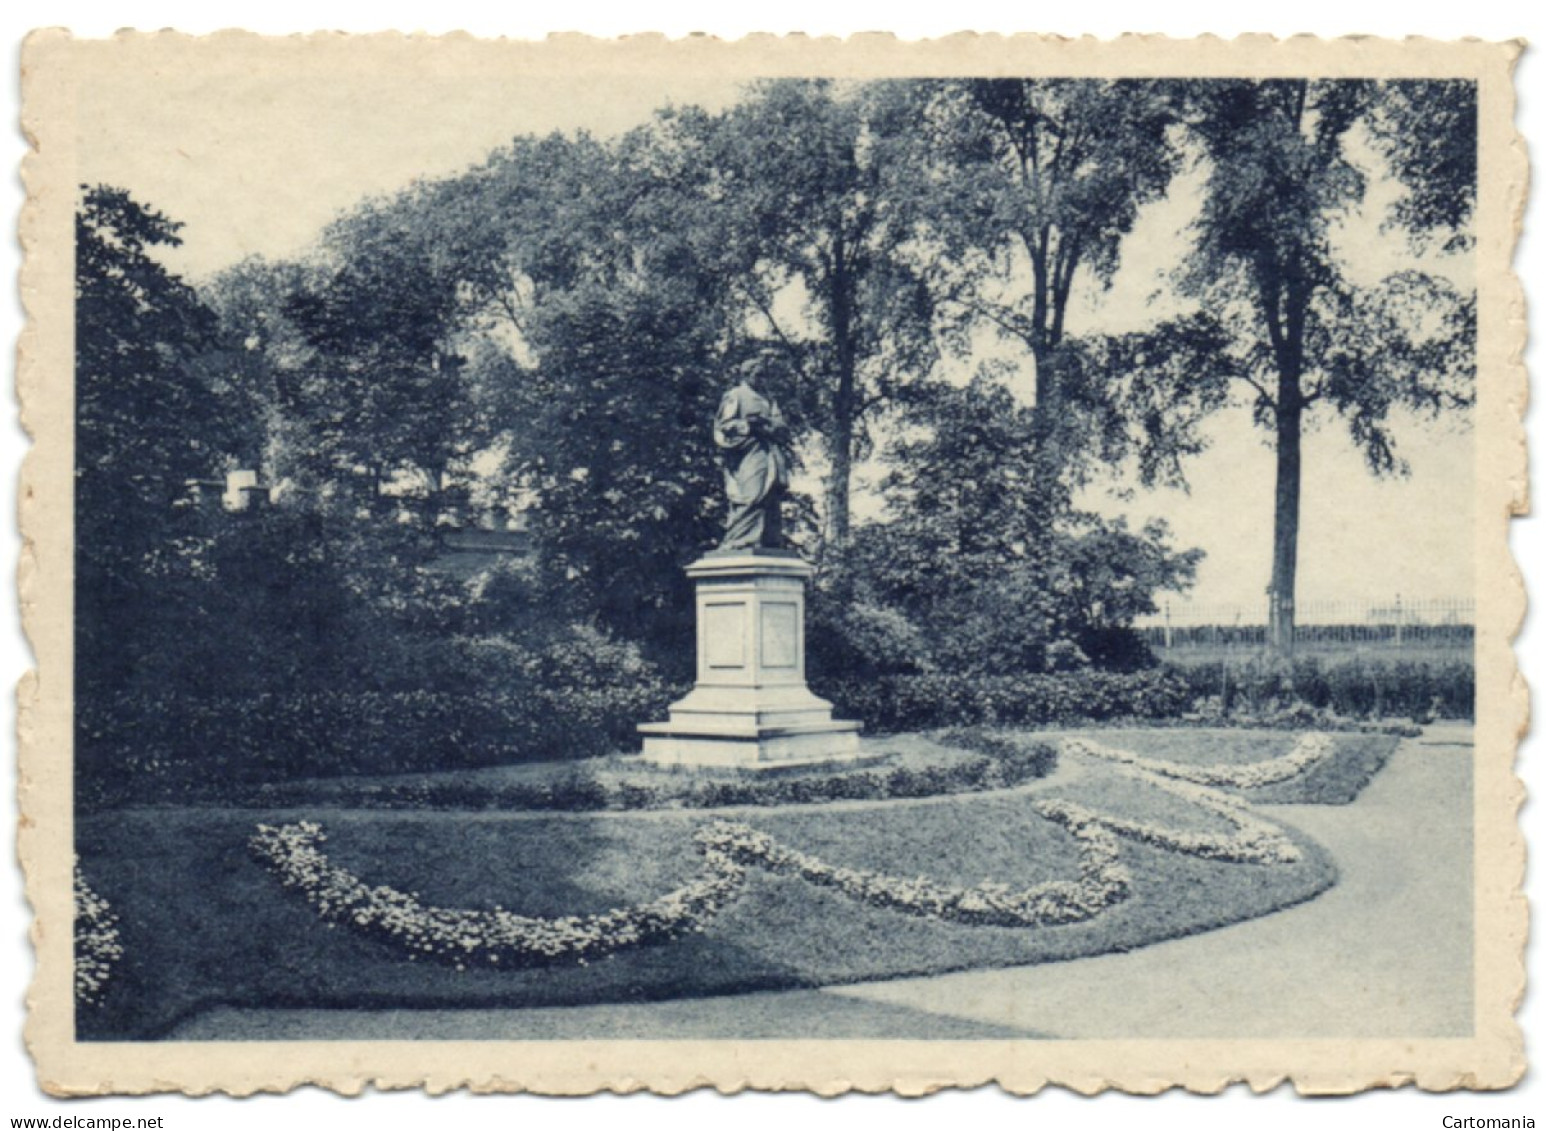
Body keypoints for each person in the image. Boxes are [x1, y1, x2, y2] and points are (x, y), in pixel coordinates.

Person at [714, 355, 791, 551]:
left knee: (771, 495)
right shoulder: (736, 395)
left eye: (764, 376)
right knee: (752, 494)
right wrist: (748, 425)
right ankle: (739, 540)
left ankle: (770, 540)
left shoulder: (768, 399)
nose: (762, 380)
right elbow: (723, 426)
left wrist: (771, 426)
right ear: (746, 375)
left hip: (768, 452)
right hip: (748, 452)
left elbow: (781, 425)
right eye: (758, 375)